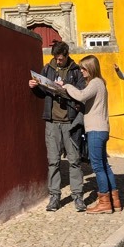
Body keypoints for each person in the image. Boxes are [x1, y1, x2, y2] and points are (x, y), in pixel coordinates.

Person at [28, 41, 86, 212]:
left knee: (74, 160)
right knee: (53, 161)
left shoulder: (75, 71)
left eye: (60, 59)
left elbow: (82, 93)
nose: (58, 61)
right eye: (56, 58)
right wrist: (35, 86)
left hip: (70, 121)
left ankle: (78, 196)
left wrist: (67, 88)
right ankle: (54, 196)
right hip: (52, 121)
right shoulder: (48, 69)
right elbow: (42, 92)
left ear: (67, 55)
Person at [59, 55, 119, 213]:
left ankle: (105, 202)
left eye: (83, 68)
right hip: (102, 129)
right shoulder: (100, 83)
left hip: (96, 130)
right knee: (105, 165)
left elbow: (81, 95)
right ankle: (115, 200)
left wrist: (66, 86)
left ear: (91, 68)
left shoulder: (95, 82)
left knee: (98, 166)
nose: (81, 71)